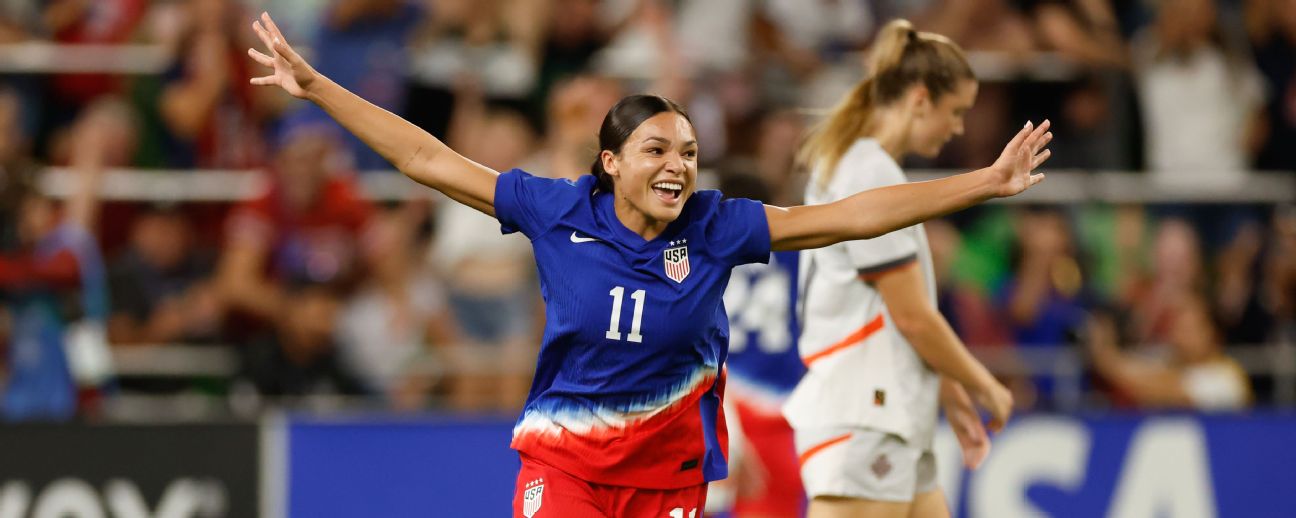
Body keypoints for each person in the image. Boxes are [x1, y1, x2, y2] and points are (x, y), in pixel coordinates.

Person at [246, 12, 1051, 516]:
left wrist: (984, 182)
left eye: (691, 153)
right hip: (565, 464)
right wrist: (319, 89)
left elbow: (844, 217)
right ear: (609, 161)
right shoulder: (555, 209)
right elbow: (425, 157)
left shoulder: (716, 226)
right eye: (658, 149)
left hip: (668, 481)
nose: (680, 166)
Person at [784, 19, 1020, 518]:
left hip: (887, 410)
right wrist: (984, 383)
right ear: (919, 99)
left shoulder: (859, 164)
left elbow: (896, 318)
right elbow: (912, 315)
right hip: (864, 415)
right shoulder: (868, 171)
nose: (957, 127)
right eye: (955, 111)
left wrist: (949, 388)